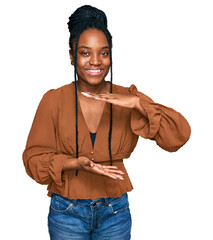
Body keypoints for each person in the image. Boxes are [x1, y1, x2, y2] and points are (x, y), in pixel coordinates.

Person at [22, 5, 191, 240]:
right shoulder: (53, 100)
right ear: (71, 56)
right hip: (67, 212)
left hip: (115, 211)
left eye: (104, 52)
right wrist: (72, 163)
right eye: (85, 53)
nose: (95, 62)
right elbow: (32, 160)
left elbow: (178, 137)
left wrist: (139, 105)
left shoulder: (128, 97)